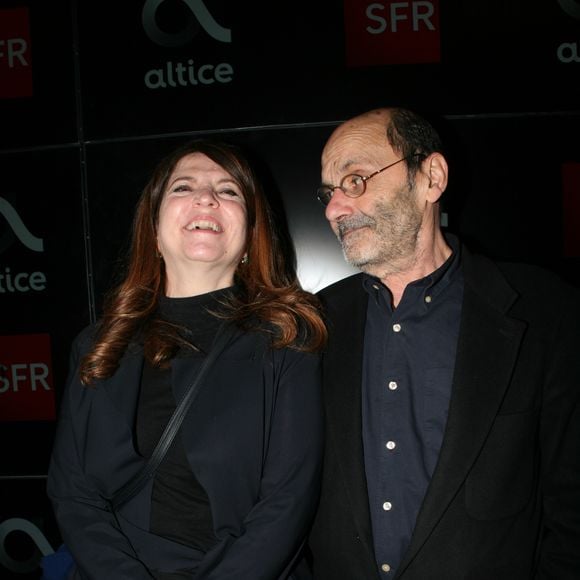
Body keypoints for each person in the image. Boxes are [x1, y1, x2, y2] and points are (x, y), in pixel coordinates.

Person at [307, 106, 580, 579]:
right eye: (330, 193)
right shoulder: (312, 323)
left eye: (354, 180)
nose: (335, 209)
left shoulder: (543, 311)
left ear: (430, 177)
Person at [46, 138, 327, 579]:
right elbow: (72, 492)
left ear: (252, 235)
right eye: (183, 187)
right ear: (153, 231)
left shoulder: (288, 340)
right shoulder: (98, 345)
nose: (206, 197)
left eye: (229, 190)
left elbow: (287, 502)